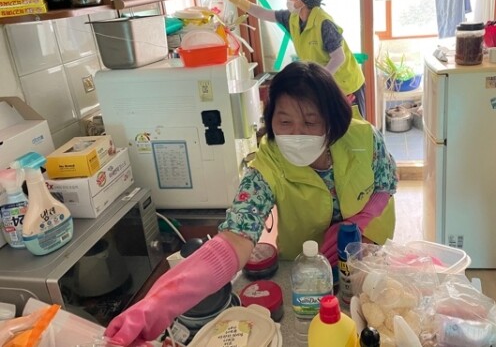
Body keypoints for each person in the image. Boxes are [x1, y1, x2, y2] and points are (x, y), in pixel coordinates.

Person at [104, 61, 398, 345]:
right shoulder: (268, 165)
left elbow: (386, 183)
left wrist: (358, 223)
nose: (296, 134)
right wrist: (158, 303)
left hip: (369, 253)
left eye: (310, 122)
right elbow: (235, 238)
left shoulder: (363, 138)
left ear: (331, 123)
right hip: (308, 268)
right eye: (285, 122)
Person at [225, 0, 367, 117]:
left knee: (354, 127)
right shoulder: (293, 18)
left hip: (347, 85)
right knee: (332, 127)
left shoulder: (324, 23)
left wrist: (318, 80)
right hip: (326, 85)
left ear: (302, 0)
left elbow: (339, 57)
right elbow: (264, 13)